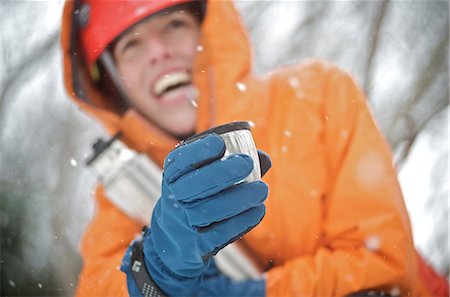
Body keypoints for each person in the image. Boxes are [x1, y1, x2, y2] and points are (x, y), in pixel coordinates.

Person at [60, 0, 449, 296]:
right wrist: (154, 274)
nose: (159, 51)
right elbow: (101, 284)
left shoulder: (320, 97)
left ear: (207, 32)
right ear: (110, 81)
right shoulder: (121, 193)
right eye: (131, 44)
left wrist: (255, 292)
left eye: (174, 24)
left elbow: (385, 266)